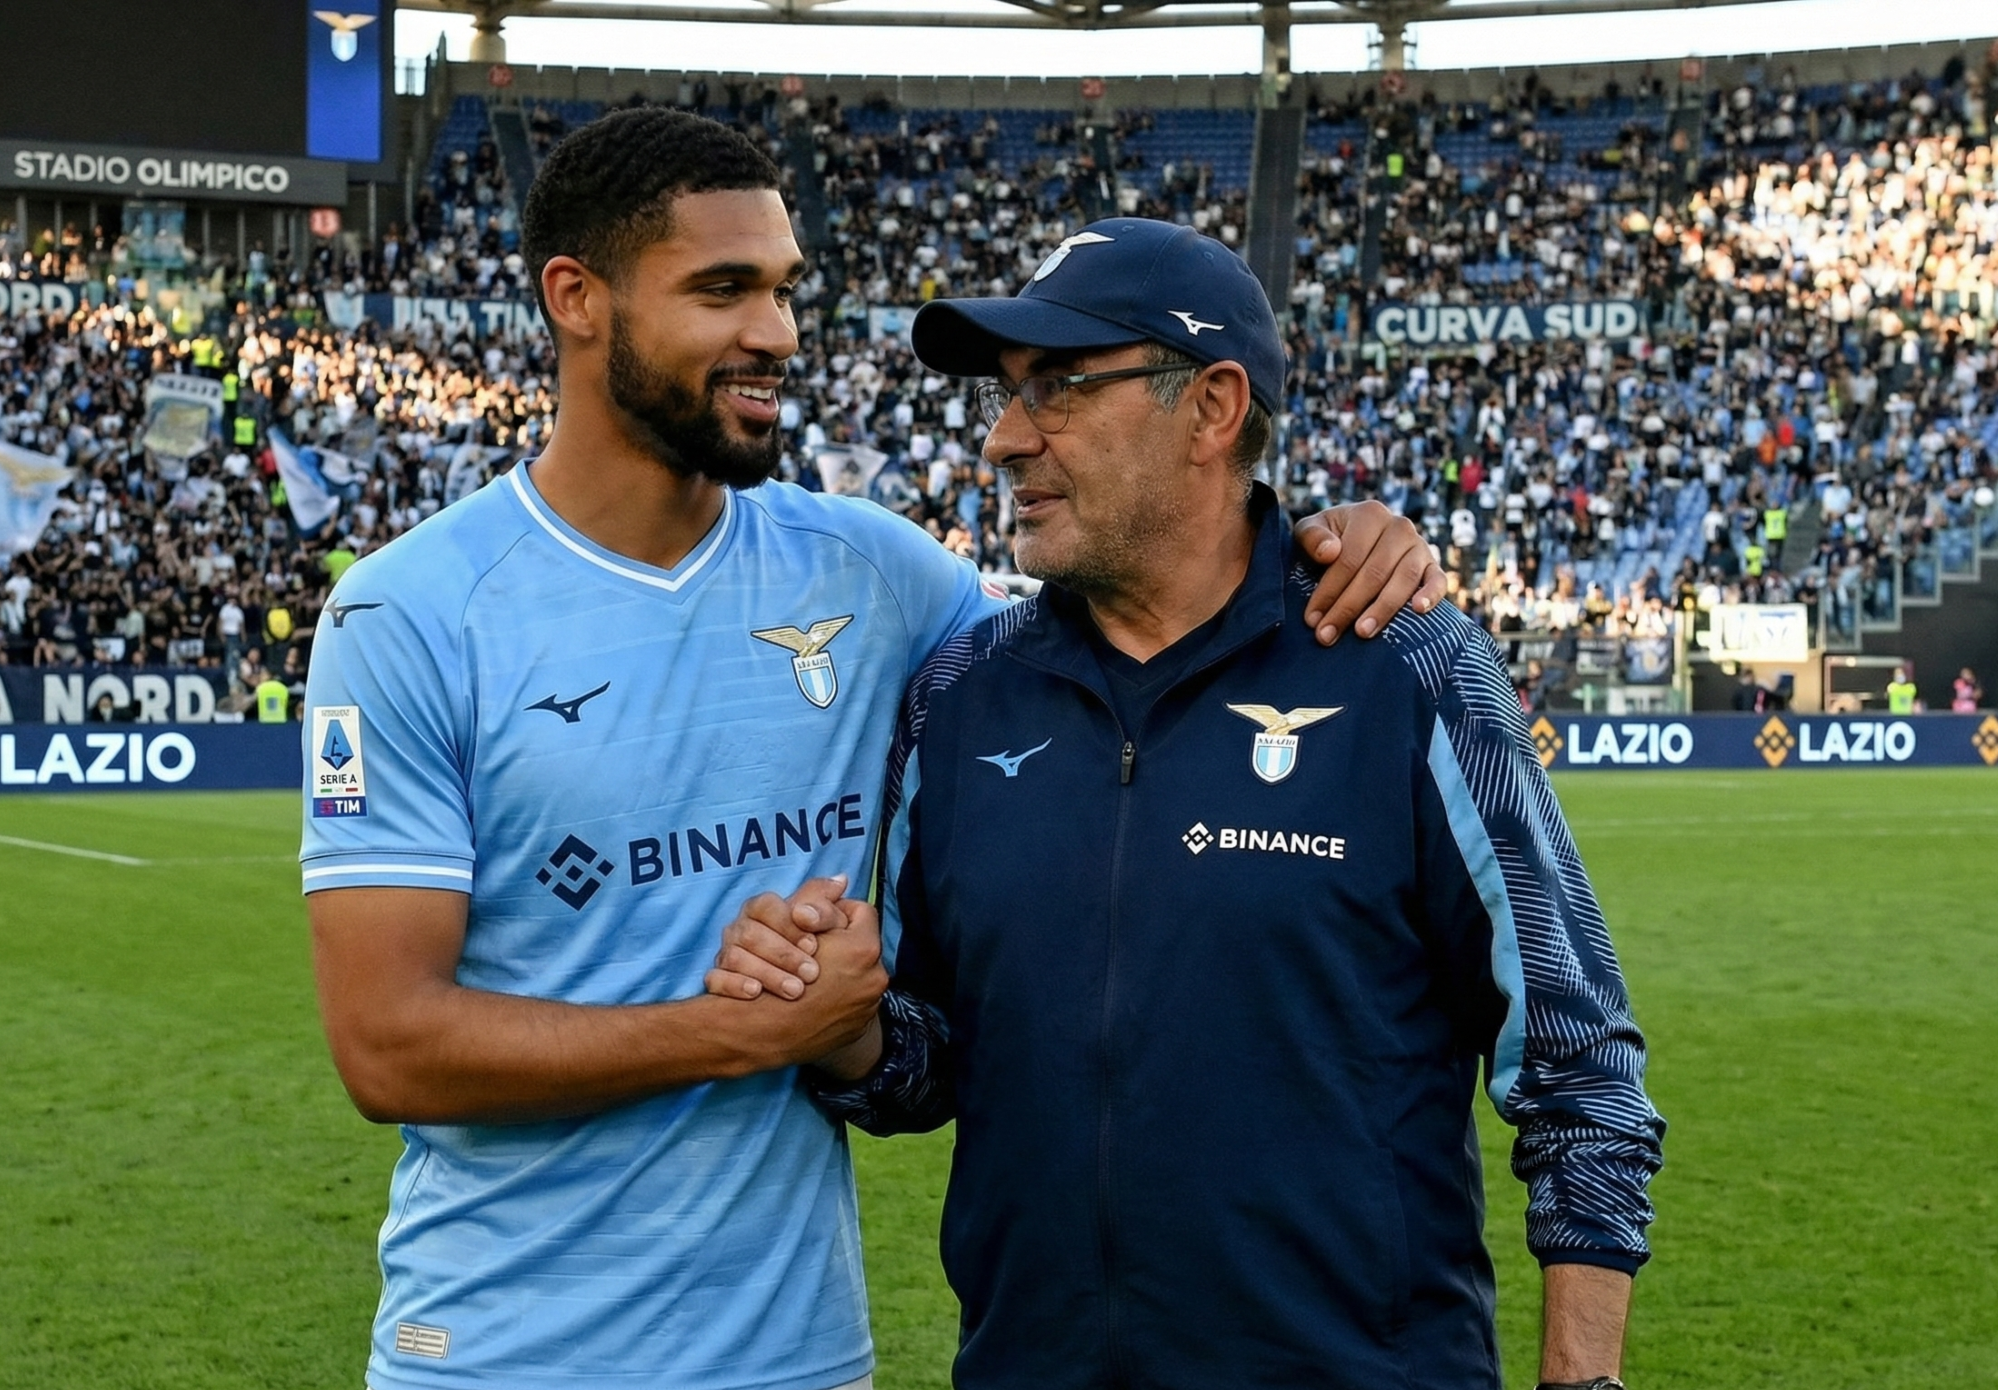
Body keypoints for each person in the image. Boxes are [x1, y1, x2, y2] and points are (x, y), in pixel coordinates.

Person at [298, 116, 1444, 1390]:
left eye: (785, 290)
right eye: (722, 290)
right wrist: (734, 1034)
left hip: (800, 1356)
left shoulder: (876, 576)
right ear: (577, 298)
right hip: (502, 1353)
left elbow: (1143, 610)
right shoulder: (405, 615)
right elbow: (388, 1045)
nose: (777, 333)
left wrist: (1329, 535)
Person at [712, 218, 1664, 1390]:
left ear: (1212, 409)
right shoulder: (957, 699)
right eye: (1006, 397)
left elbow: (1576, 1067)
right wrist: (842, 1016)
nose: (1006, 440)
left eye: (1057, 388)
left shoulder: (1402, 669)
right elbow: (926, 1062)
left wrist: (1581, 1379)